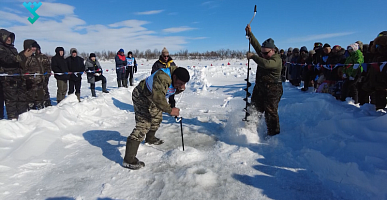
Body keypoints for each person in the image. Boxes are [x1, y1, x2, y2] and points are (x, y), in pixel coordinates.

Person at [123, 66, 190, 170]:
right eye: (180, 83)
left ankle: (150, 139)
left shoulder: (175, 75)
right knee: (144, 125)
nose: (182, 86)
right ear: (175, 77)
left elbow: (170, 91)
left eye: (184, 84)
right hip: (141, 96)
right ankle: (128, 160)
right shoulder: (163, 77)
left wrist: (175, 99)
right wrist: (170, 110)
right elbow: (158, 98)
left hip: (153, 98)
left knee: (157, 119)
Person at [245, 24, 283, 137]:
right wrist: (250, 34)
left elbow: (266, 64)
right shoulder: (265, 54)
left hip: (273, 90)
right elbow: (256, 45)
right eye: (262, 53)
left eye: (265, 53)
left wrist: (254, 57)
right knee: (254, 109)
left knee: (270, 112)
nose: (263, 55)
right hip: (260, 88)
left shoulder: (276, 60)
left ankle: (273, 135)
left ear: (273, 50)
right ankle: (250, 131)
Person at [0, 29, 31, 119]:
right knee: (12, 101)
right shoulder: (1, 48)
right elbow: (8, 60)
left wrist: (23, 56)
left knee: (21, 99)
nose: (9, 39)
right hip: (7, 80)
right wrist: (23, 55)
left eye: (10, 37)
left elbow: (17, 61)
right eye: (7, 37)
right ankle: (13, 120)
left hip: (17, 78)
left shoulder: (13, 49)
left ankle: (23, 118)